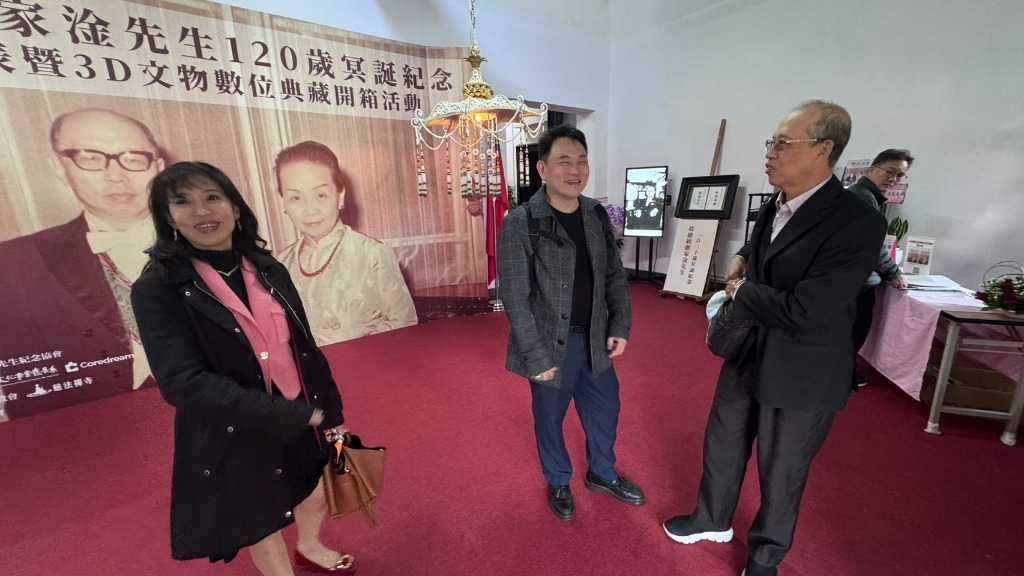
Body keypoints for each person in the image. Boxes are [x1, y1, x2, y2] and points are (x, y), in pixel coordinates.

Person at [663, 101, 886, 576]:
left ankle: (766, 555)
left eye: (783, 143)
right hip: (750, 349)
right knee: (723, 441)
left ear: (824, 149)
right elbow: (764, 247)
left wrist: (740, 290)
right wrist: (742, 258)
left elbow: (806, 309)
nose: (770, 153)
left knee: (783, 468)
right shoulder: (777, 202)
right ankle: (712, 518)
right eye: (771, 142)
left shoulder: (857, 220)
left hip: (805, 368)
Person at [130, 162, 353, 574]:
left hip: (298, 407)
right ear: (168, 218)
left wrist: (331, 411)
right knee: (260, 517)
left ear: (235, 208)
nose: (202, 211)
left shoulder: (267, 267)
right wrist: (278, 414)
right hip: (233, 422)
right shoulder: (158, 287)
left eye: (212, 197)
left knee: (315, 486)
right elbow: (181, 382)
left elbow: (303, 346)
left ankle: (309, 545)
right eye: (183, 202)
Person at [497, 124, 645, 522]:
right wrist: (535, 356)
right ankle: (558, 479)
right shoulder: (521, 222)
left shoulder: (595, 214)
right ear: (543, 169)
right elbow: (515, 295)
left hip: (594, 338)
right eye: (564, 161)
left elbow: (613, 274)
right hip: (549, 344)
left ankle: (602, 472)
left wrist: (620, 325)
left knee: (606, 408)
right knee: (550, 417)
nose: (575, 170)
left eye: (582, 161)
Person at [0, 108, 164, 419]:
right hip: (87, 435)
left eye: (133, 158)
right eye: (91, 157)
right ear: (60, 168)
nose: (116, 175)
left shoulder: (223, 246)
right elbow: (23, 395)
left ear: (159, 168)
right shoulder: (13, 264)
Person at [273, 140, 417, 346]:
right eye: (296, 198)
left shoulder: (372, 254)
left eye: (320, 195)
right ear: (284, 203)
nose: (310, 209)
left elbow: (405, 322)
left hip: (368, 363)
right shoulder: (280, 263)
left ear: (340, 196)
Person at [846, 149, 914, 386]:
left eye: (900, 176)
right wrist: (893, 272)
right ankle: (843, 377)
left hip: (851, 278)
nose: (894, 179)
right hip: (856, 281)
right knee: (854, 333)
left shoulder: (863, 195)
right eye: (890, 172)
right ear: (872, 168)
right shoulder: (863, 198)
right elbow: (871, 245)